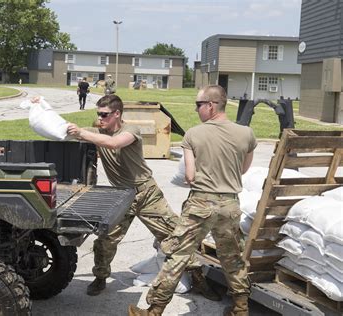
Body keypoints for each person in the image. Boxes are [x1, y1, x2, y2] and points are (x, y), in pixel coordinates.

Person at [66, 95, 218, 301]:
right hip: (120, 197)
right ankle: (100, 277)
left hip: (146, 194)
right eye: (98, 114)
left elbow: (113, 144)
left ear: (117, 114)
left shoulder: (131, 131)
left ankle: (199, 278)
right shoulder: (98, 133)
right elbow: (74, 133)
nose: (100, 118)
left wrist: (82, 133)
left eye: (104, 114)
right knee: (105, 241)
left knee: (175, 237)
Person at [129, 85, 256, 316]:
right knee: (233, 258)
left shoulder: (194, 134)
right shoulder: (246, 134)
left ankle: (154, 310)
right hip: (229, 205)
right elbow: (243, 169)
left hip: (200, 204)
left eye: (199, 104)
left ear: (211, 105)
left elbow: (189, 176)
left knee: (178, 255)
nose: (196, 109)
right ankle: (241, 309)